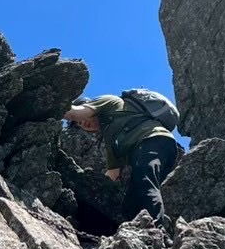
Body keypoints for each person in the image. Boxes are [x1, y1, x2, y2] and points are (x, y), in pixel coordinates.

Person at [64, 93, 179, 224]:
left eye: (82, 119)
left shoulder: (109, 101)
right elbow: (112, 173)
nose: (83, 123)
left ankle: (157, 230)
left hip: (152, 139)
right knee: (131, 204)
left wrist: (54, 104)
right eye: (79, 124)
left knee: (144, 181)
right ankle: (145, 231)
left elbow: (74, 113)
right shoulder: (111, 137)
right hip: (160, 148)